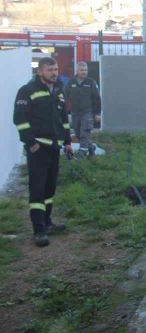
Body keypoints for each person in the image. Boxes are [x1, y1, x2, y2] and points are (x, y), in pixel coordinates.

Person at [13, 57, 73, 247]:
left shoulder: (58, 90)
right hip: (38, 147)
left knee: (49, 188)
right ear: (40, 71)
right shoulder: (27, 91)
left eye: (55, 69)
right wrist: (30, 142)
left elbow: (63, 118)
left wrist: (68, 141)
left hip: (55, 146)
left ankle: (47, 222)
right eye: (49, 70)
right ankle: (38, 230)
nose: (54, 73)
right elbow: (19, 119)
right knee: (38, 189)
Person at [64, 61, 101, 158]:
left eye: (85, 70)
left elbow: (97, 98)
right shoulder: (71, 82)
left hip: (87, 112)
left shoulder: (91, 82)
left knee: (85, 131)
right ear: (77, 70)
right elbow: (65, 95)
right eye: (82, 70)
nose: (84, 72)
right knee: (78, 133)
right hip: (75, 112)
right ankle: (91, 147)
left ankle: (82, 152)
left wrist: (97, 113)